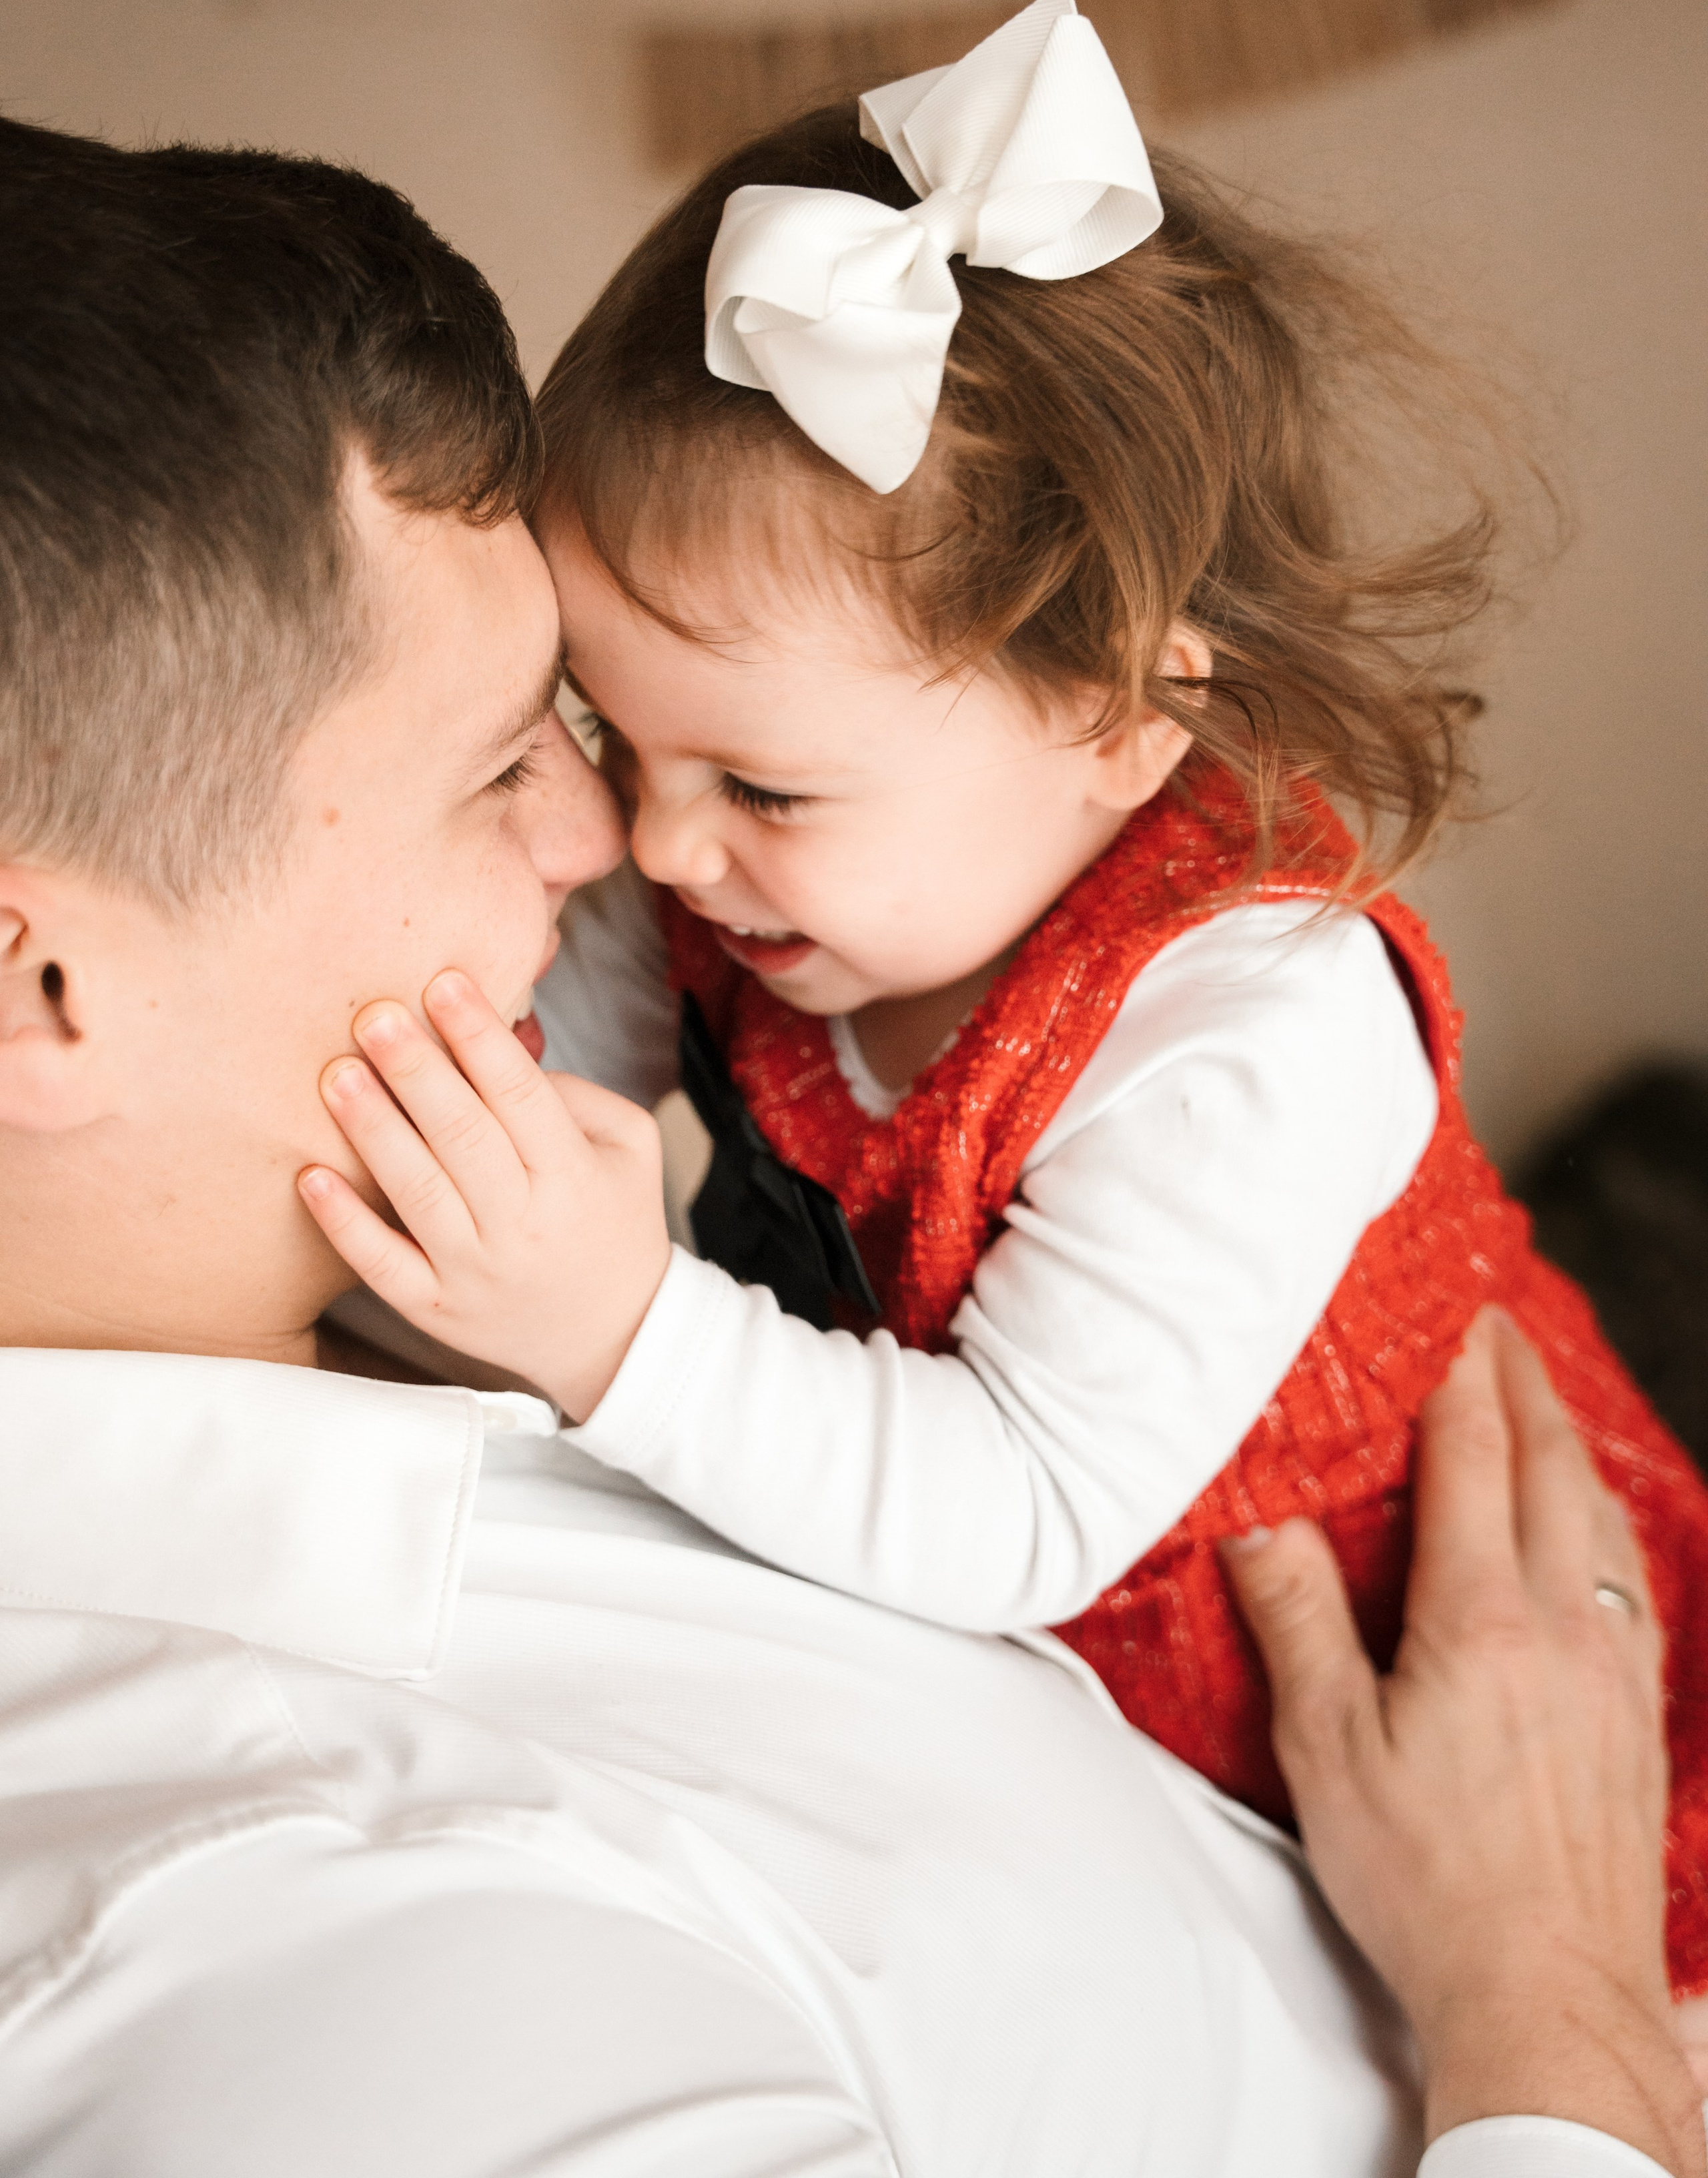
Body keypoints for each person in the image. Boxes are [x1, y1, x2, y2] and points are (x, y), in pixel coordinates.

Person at [0, 111, 1699, 2178]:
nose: (613, 839)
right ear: (41, 993)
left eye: (720, 775)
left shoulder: (1239, 1020)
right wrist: (1559, 2018)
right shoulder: (338, 1958)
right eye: (508, 764)